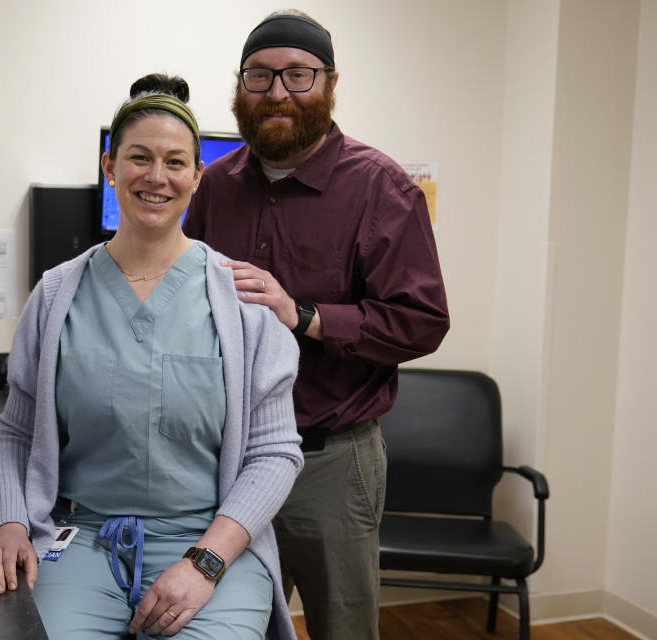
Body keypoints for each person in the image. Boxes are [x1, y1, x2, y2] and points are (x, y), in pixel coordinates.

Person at [0, 73, 304, 640]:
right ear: (109, 168)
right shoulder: (55, 295)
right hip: (81, 538)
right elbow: (15, 432)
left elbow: (274, 453)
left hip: (207, 542)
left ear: (198, 176)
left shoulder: (242, 301)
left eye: (176, 162)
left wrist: (205, 562)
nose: (156, 176)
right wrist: (8, 523)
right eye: (139, 157)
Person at [183, 11, 450, 640]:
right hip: (227, 462)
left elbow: (421, 322)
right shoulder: (214, 187)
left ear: (329, 83)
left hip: (327, 464)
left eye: (298, 75)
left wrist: (303, 315)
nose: (277, 92)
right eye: (260, 75)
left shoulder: (381, 189)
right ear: (239, 86)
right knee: (226, 626)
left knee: (341, 629)